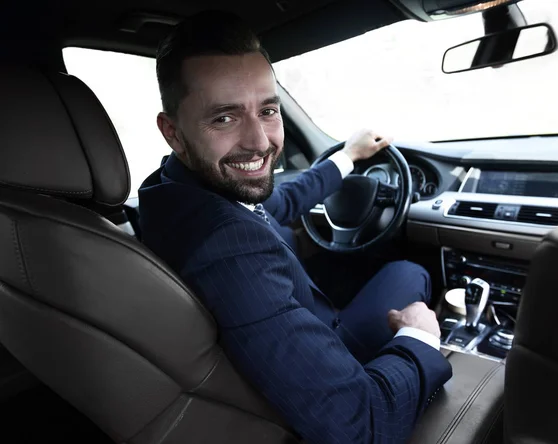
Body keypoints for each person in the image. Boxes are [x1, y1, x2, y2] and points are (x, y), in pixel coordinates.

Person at [138, 10, 452, 444]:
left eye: (268, 110)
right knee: (413, 273)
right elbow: (363, 425)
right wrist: (421, 336)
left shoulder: (168, 187)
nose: (261, 141)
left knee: (402, 272)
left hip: (298, 336)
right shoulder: (228, 248)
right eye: (225, 118)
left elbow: (278, 201)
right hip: (329, 359)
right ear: (172, 131)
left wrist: (347, 158)